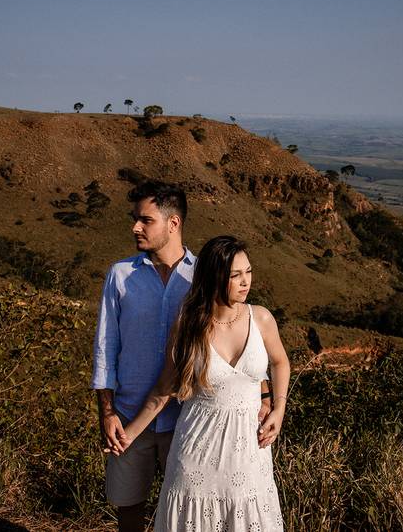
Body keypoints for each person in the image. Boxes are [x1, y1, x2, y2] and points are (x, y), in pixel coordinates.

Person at [91, 183, 270, 532]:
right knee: (129, 512)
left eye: (145, 220)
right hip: (130, 416)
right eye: (135, 219)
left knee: (189, 518)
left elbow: (242, 334)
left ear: (173, 224)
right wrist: (107, 411)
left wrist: (264, 395)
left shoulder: (207, 275)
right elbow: (105, 347)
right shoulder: (120, 275)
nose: (135, 228)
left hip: (190, 422)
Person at [120, 235, 290, 531]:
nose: (245, 281)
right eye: (235, 275)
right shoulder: (189, 324)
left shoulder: (260, 318)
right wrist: (128, 436)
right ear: (214, 277)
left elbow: (280, 362)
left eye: (248, 271)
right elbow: (164, 389)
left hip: (249, 455)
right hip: (196, 455)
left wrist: (278, 408)